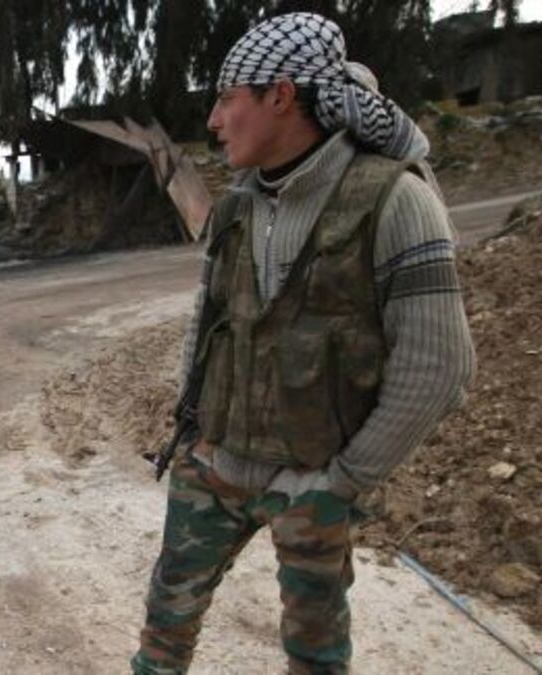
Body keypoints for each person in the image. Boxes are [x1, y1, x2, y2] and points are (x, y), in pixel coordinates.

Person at [132, 13, 475, 674]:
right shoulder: (236, 207)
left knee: (316, 656)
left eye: (227, 99)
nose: (214, 120)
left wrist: (342, 480)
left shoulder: (396, 200)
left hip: (314, 481)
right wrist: (197, 435)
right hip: (217, 463)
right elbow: (205, 323)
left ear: (281, 96)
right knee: (161, 637)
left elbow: (440, 366)